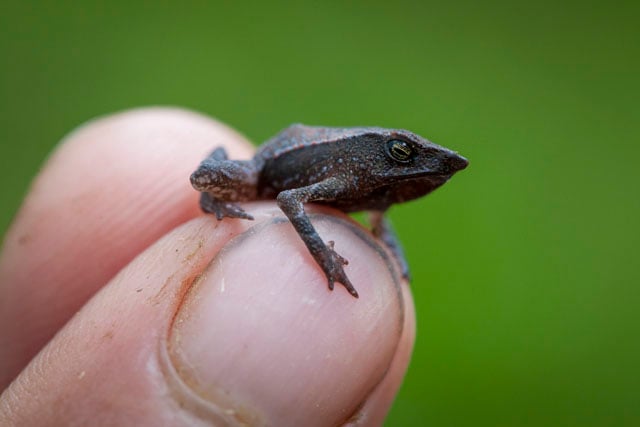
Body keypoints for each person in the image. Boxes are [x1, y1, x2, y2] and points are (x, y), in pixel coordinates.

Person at [0, 108, 415, 426]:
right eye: (400, 154)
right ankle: (215, 198)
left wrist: (390, 244)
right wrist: (322, 254)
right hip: (264, 172)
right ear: (374, 150)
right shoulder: (348, 166)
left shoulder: (373, 191)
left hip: (288, 163)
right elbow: (290, 199)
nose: (408, 163)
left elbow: (378, 212)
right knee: (208, 175)